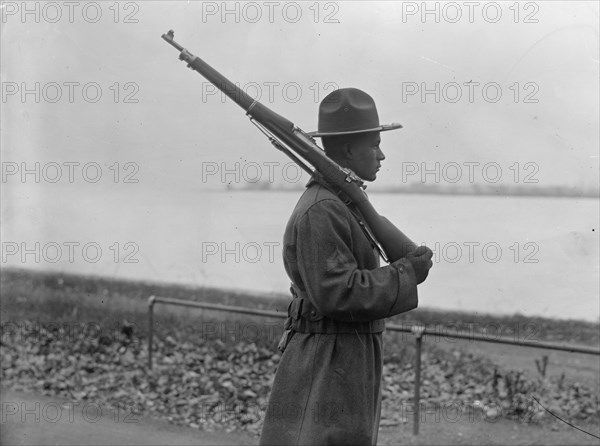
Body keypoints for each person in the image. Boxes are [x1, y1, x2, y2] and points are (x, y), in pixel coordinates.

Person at [259, 88, 433, 445]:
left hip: (346, 354)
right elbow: (337, 293)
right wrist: (405, 275)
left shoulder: (344, 203)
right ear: (349, 150)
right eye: (374, 145)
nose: (382, 154)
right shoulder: (323, 209)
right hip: (327, 359)